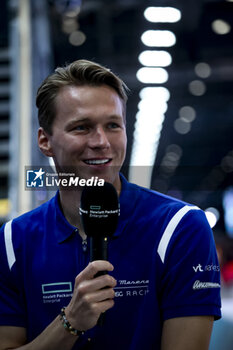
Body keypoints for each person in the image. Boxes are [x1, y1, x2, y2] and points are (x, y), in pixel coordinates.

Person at [0, 59, 221, 350]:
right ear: (45, 141)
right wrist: (71, 322)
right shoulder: (12, 241)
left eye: (113, 125)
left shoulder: (180, 228)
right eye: (82, 127)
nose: (101, 141)